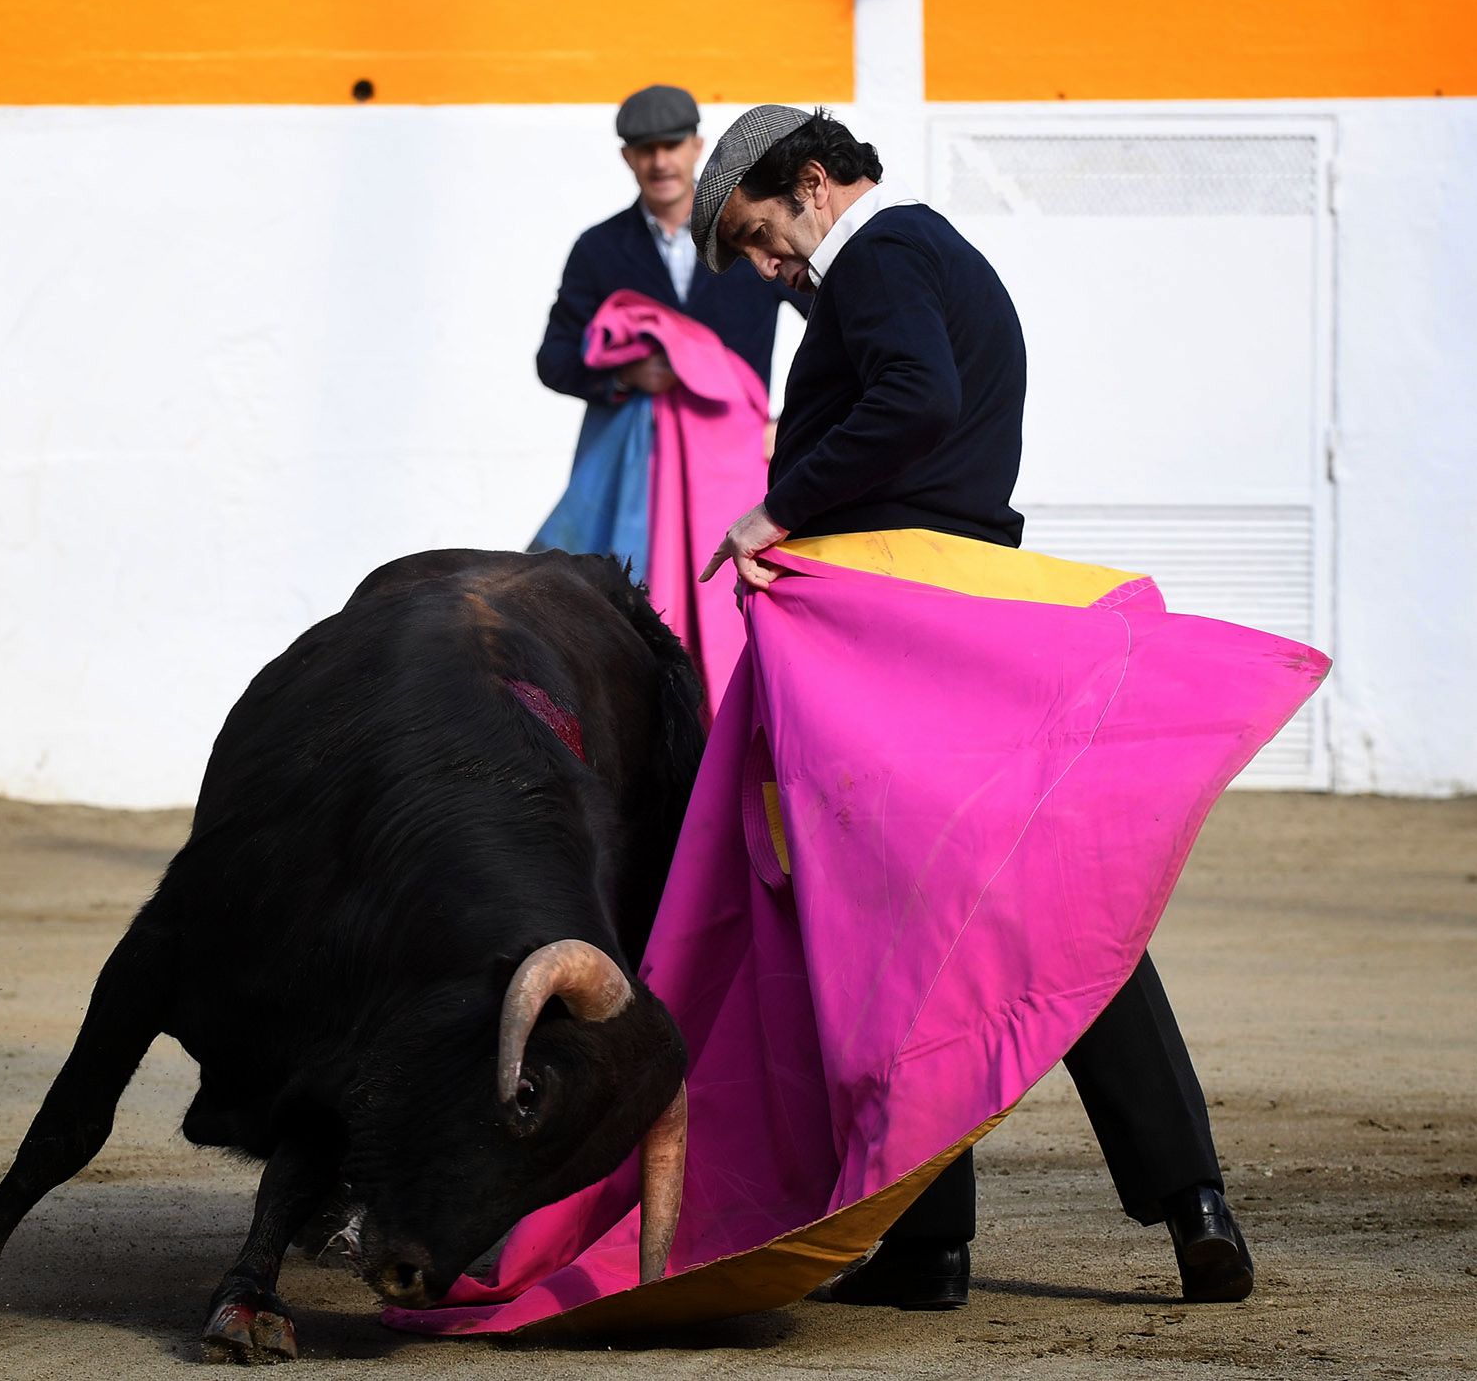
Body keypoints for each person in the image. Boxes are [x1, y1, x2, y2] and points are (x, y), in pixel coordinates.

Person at [689, 105, 1256, 1311]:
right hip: (972, 627)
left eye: (757, 235)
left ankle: (927, 1241)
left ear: (813, 180)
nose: (762, 269)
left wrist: (774, 513)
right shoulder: (937, 254)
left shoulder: (880, 258)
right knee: (1058, 919)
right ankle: (1186, 1198)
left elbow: (913, 400)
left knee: (887, 927)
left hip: (898, 639)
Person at [535, 85, 808, 525]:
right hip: (642, 475)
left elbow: (834, 328)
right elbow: (554, 360)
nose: (660, 162)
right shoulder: (598, 249)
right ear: (628, 157)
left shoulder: (754, 230)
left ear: (697, 147)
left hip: (736, 464)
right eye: (646, 149)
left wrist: (792, 422)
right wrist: (626, 376)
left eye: (671, 146)